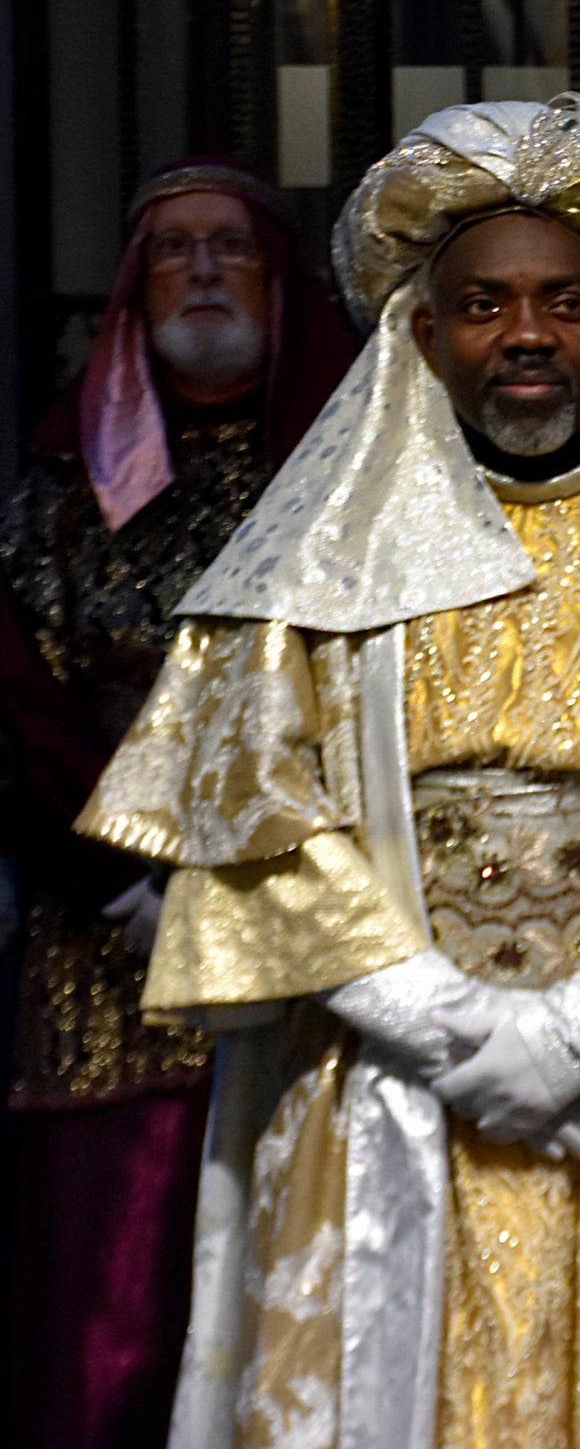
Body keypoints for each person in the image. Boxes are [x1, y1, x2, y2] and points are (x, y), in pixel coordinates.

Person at [77, 30, 580, 1449]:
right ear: (424, 330)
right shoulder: (320, 569)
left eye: (563, 304)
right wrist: (447, 1025)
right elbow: (256, 808)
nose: (527, 334)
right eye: (484, 303)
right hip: (384, 1080)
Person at [0, 157, 359, 1449]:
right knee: (113, 1318)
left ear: (281, 282)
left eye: (232, 249)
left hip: (323, 960)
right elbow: (15, 710)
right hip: (114, 967)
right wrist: (126, 884)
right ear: (132, 290)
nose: (204, 272)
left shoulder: (353, 487)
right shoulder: (59, 495)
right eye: (174, 251)